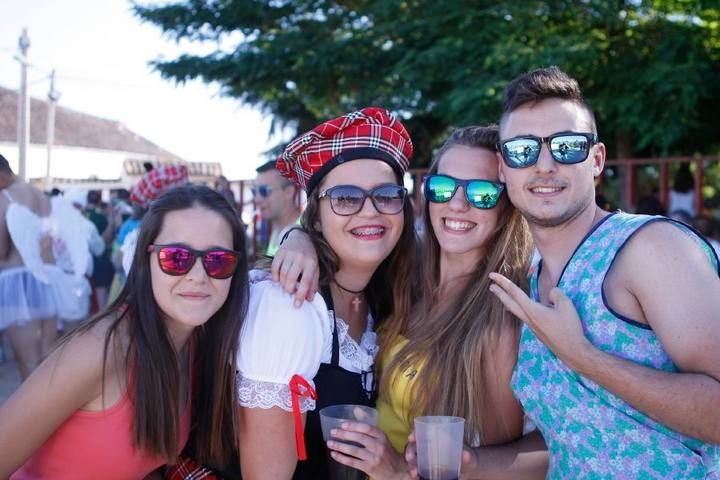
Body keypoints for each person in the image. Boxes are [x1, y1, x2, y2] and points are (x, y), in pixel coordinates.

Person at [489, 66, 720, 478]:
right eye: (523, 150)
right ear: (503, 168)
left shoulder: (650, 247)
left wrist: (584, 358)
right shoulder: (529, 280)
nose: (544, 165)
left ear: (596, 160)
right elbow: (572, 434)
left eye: (567, 146)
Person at [327, 126, 548, 479]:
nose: (457, 204)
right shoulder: (403, 278)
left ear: (506, 205)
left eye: (482, 194)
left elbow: (488, 467)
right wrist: (298, 241)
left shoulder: (496, 322)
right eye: (444, 188)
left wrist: (398, 471)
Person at [0, 184, 248, 479]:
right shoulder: (100, 350)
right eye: (176, 258)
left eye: (218, 261)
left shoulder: (195, 342)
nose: (197, 276)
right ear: (146, 260)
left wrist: (299, 242)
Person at [237, 107, 417, 479]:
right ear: (316, 216)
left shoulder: (384, 297)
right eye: (346, 198)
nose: (370, 211)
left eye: (386, 195)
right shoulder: (290, 306)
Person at [0, 154, 59, 380]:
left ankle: (40, 413)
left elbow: (2, 249)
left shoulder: (4, 197)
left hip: (17, 282)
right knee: (48, 356)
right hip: (48, 278)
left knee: (28, 362)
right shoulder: (41, 196)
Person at [253, 159, 303, 257]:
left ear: (289, 192)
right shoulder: (279, 228)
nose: (257, 199)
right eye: (254, 191)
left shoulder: (304, 235)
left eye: (264, 191)